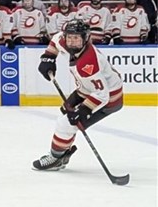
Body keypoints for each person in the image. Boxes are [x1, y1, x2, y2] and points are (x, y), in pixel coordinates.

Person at [34, 20, 123, 171]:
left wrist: (83, 111)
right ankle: (63, 151)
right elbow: (56, 41)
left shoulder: (88, 63)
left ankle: (56, 158)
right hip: (87, 90)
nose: (72, 42)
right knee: (65, 113)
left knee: (66, 124)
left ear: (86, 38)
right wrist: (48, 57)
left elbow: (102, 95)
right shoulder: (65, 41)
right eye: (69, 37)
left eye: (76, 38)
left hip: (108, 99)